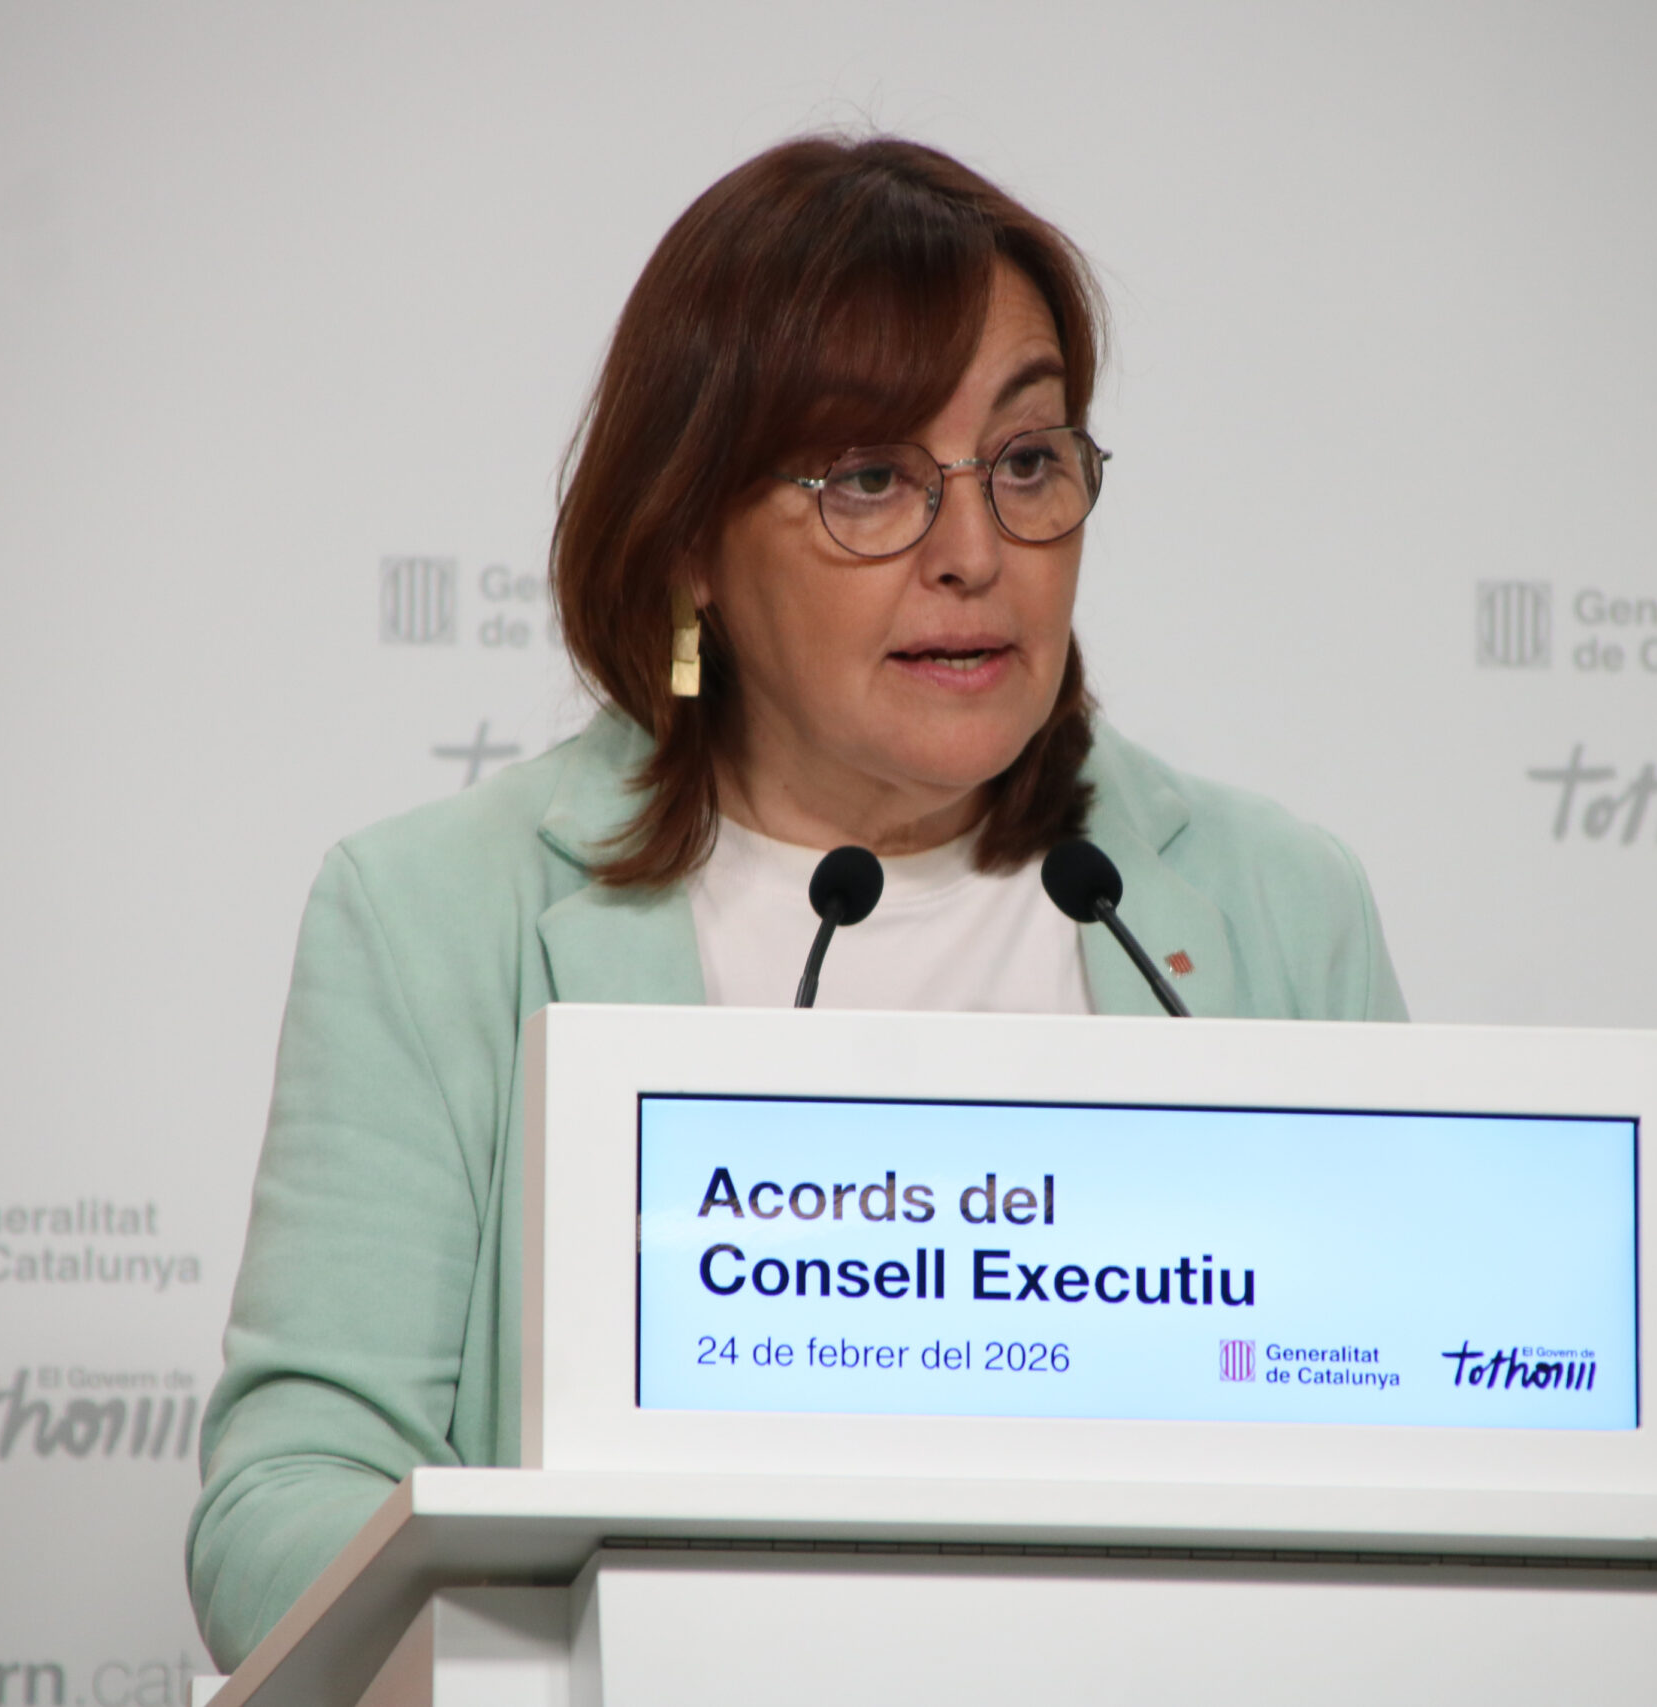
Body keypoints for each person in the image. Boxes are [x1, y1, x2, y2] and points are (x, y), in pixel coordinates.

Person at [186, 134, 1405, 1670]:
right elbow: (286, 1515)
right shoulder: (439, 918)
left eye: (1027, 462)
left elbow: (1431, 1463)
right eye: (872, 479)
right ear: (690, 538)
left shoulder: (1272, 909)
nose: (976, 554)